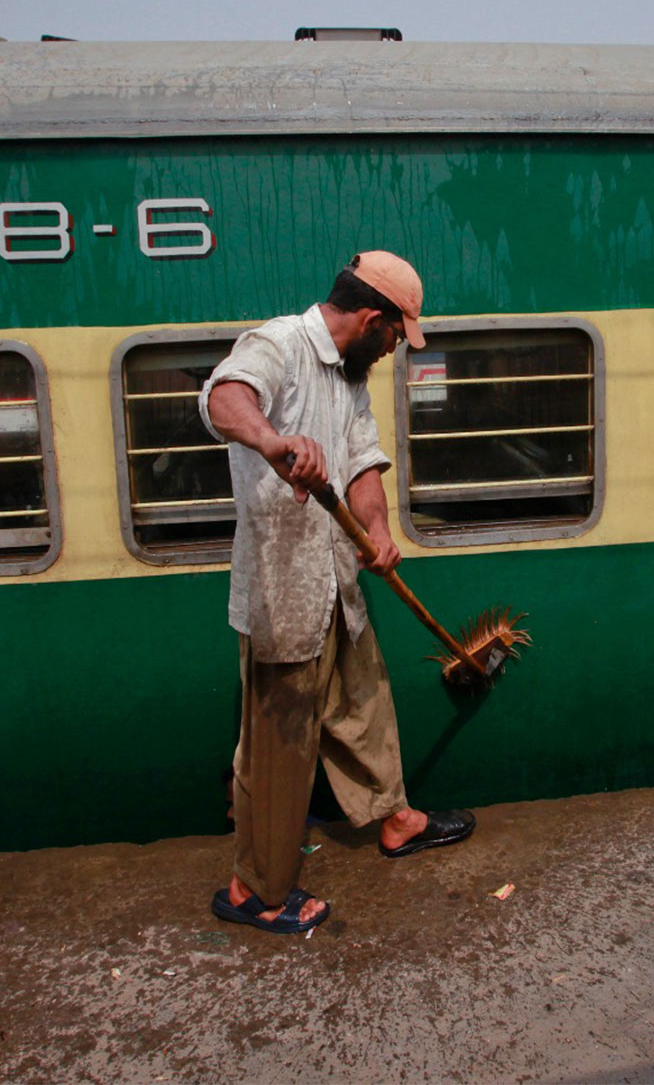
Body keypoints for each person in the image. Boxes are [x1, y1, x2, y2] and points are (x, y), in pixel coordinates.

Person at [198, 250, 475, 935]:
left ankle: (394, 818)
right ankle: (254, 890)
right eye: (393, 339)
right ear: (375, 320)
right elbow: (224, 398)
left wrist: (377, 532)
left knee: (363, 701)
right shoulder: (280, 344)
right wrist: (273, 441)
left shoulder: (350, 383)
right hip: (285, 590)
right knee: (280, 746)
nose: (391, 352)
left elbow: (363, 468)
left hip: (338, 583)